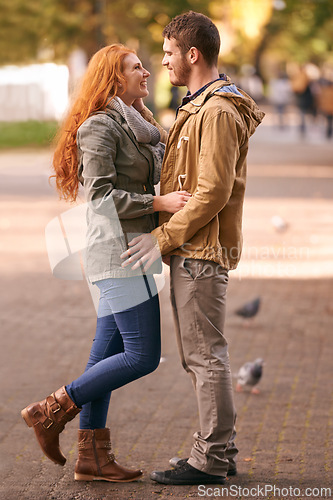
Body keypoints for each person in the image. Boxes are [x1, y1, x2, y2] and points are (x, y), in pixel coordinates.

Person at [21, 44, 191, 483]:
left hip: (134, 250)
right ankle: (50, 409)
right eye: (137, 67)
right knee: (142, 356)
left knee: (107, 354)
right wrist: (158, 201)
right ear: (115, 78)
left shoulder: (142, 123)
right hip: (115, 254)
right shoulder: (99, 126)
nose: (147, 71)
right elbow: (99, 198)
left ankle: (91, 457)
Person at [121, 11, 265, 485]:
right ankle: (220, 450)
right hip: (194, 248)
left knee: (205, 356)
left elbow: (213, 192)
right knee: (202, 355)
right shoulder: (201, 104)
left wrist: (161, 237)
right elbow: (181, 159)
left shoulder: (219, 111)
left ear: (192, 54)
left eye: (167, 54)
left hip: (201, 251)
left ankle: (210, 459)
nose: (162, 63)